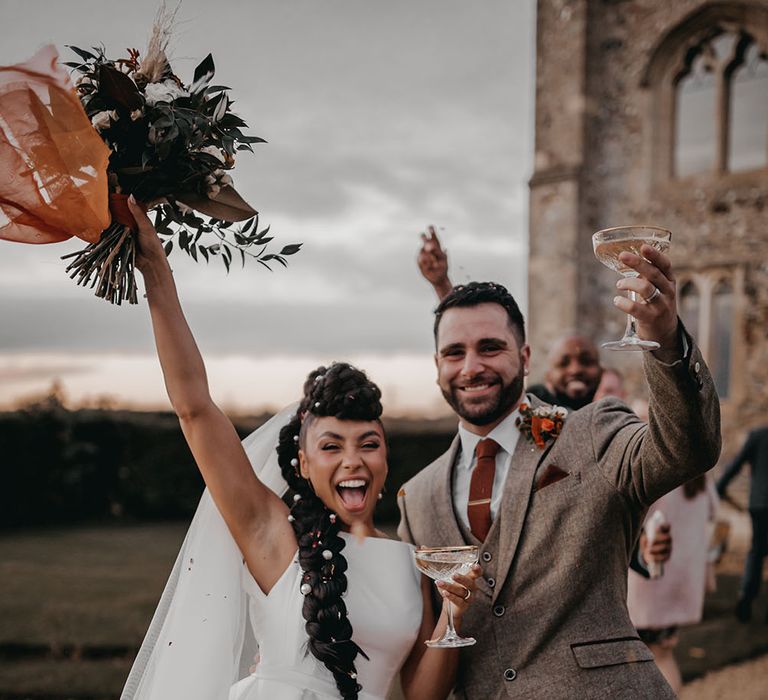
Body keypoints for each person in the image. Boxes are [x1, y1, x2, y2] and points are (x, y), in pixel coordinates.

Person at [120, 197, 481, 700]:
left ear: (385, 457)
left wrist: (451, 617)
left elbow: (422, 696)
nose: (353, 459)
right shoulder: (273, 536)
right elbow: (195, 409)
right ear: (303, 463)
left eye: (368, 444)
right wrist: (157, 275)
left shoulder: (410, 562)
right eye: (331, 446)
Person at [399, 242, 721, 697]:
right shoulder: (416, 496)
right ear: (437, 367)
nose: (471, 367)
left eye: (490, 347)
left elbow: (688, 449)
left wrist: (665, 339)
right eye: (454, 353)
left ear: (526, 358)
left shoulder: (593, 431)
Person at [416, 229, 671, 575]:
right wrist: (443, 288)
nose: (576, 370)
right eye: (565, 362)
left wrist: (668, 342)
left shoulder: (603, 425)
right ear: (540, 371)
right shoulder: (528, 412)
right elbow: (477, 352)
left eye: (586, 361)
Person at [626, 397, 719, 693]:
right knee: (664, 654)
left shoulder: (653, 475)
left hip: (652, 584)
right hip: (683, 579)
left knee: (652, 658)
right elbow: (714, 513)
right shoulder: (698, 473)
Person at [716, 424, 768, 623]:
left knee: (756, 551)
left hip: (759, 504)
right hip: (760, 503)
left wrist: (719, 487)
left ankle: (746, 598)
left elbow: (736, 464)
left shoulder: (758, 435)